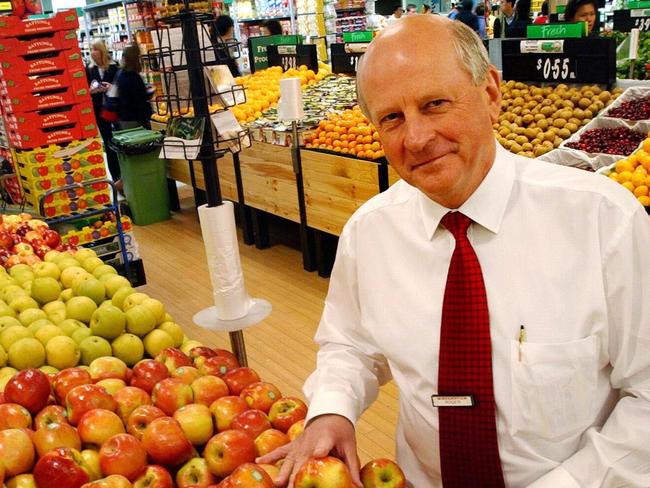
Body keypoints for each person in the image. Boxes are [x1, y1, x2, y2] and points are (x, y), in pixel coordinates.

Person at [257, 15, 650, 488]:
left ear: (490, 94)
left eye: (435, 104)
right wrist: (332, 410)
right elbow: (350, 344)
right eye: (392, 118)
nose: (418, 138)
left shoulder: (602, 220)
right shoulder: (370, 232)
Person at [86, 40, 120, 183]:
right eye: (91, 49)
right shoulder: (88, 70)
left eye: (95, 49)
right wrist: (91, 91)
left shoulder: (114, 67)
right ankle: (115, 179)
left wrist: (110, 87)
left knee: (120, 140)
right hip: (100, 111)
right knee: (108, 142)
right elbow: (84, 91)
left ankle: (125, 177)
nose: (92, 52)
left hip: (116, 110)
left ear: (102, 51)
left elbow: (121, 88)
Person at [115, 44, 152, 130]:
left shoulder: (120, 73)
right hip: (135, 119)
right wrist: (149, 93)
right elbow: (139, 100)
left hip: (124, 117)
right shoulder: (133, 76)